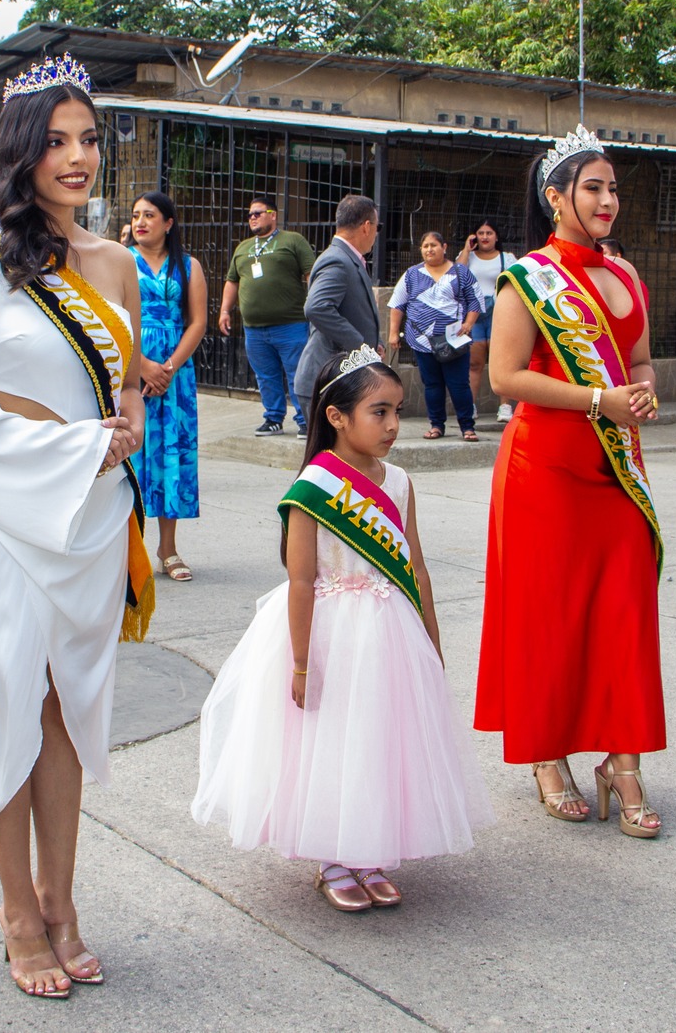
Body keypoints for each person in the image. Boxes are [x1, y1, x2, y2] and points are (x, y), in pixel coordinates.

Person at [0, 54, 152, 1000]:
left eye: (88, 139)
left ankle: (61, 897)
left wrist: (125, 424)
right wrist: (65, 446)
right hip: (11, 516)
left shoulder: (118, 262)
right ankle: (17, 910)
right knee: (12, 701)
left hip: (93, 517)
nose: (77, 156)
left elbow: (125, 385)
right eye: (55, 140)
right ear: (22, 148)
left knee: (68, 710)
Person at [192, 346, 491, 911]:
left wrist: (431, 641)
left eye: (398, 411)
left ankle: (368, 849)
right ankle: (331, 855)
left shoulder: (399, 481)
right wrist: (301, 662)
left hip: (388, 631)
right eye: (379, 412)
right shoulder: (314, 487)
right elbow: (301, 581)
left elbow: (416, 566)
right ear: (337, 416)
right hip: (328, 633)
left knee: (376, 737)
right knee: (329, 740)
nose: (393, 425)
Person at [478, 125, 666, 838]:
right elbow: (504, 377)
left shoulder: (628, 275)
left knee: (625, 614)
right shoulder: (529, 278)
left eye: (613, 187)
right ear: (555, 197)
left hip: (615, 468)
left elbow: (639, 359)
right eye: (593, 187)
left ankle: (624, 762)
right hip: (546, 469)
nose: (608, 199)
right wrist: (597, 399)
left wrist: (642, 391)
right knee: (549, 618)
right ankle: (547, 755)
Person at [129, 191, 205, 582]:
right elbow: (109, 318)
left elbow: (197, 322)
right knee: (131, 455)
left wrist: (169, 368)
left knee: (171, 454)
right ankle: (128, 552)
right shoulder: (121, 260)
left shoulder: (188, 265)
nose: (140, 222)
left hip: (176, 374)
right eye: (136, 215)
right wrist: (143, 366)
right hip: (132, 367)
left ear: (168, 223)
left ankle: (168, 549)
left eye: (149, 215)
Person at [217, 196, 315, 437]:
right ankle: (273, 418)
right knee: (265, 376)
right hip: (254, 328)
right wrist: (224, 311)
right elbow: (232, 281)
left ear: (273, 215)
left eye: (258, 213)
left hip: (291, 325)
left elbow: (311, 274)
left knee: (298, 374)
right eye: (250, 214)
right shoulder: (243, 248)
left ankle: (306, 420)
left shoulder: (292, 240)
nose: (252, 218)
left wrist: (316, 306)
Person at [387, 231, 483, 441]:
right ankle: (436, 425)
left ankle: (467, 427)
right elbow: (397, 304)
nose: (429, 249)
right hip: (422, 340)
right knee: (432, 384)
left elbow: (475, 300)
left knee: (459, 385)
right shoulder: (412, 274)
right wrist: (393, 333)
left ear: (444, 247)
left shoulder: (461, 272)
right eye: (425, 246)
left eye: (434, 245)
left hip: (454, 340)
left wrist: (468, 324)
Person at [292, 194, 381, 410]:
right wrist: (360, 344)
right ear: (366, 227)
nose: (376, 235)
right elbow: (316, 308)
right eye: (377, 227)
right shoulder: (337, 260)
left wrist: (373, 343)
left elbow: (352, 310)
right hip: (329, 380)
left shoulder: (348, 258)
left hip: (340, 380)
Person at [461, 219, 515, 423]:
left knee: (501, 361)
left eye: (489, 233)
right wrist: (466, 249)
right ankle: (470, 406)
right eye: (481, 233)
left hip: (498, 313)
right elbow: (457, 274)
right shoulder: (468, 257)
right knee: (474, 363)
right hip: (473, 314)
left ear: (496, 236)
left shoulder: (506, 258)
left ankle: (505, 406)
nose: (484, 237)